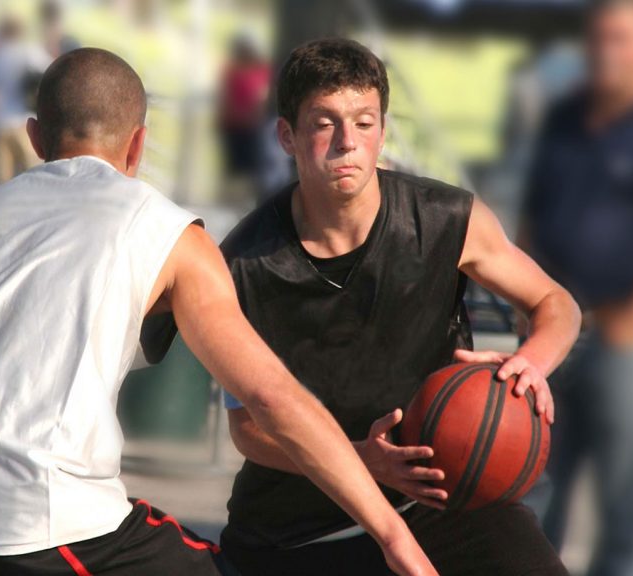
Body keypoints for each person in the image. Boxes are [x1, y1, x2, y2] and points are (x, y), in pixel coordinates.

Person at [0, 48, 438, 576]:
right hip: (30, 528)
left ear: (37, 138)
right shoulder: (162, 228)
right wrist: (391, 534)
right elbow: (269, 398)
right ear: (138, 147)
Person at [204, 38, 581, 575]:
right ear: (287, 135)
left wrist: (531, 364)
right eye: (324, 122)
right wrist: (361, 458)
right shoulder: (241, 263)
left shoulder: (447, 218)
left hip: (433, 500)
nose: (346, 143)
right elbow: (249, 431)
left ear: (383, 131)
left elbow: (555, 302)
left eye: (363, 122)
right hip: (295, 530)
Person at [520, 2, 633, 575]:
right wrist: (529, 304)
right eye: (597, 38)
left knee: (624, 506)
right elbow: (533, 221)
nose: (605, 50)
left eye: (620, 38)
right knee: (535, 491)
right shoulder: (564, 119)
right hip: (557, 331)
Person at [0, 15, 53, 183]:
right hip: (22, 124)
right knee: (33, 176)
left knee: (2, 181)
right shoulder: (28, 52)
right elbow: (52, 67)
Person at [217, 31, 272, 206]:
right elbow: (226, 97)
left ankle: (248, 202)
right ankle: (234, 201)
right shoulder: (232, 70)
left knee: (254, 167)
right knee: (235, 167)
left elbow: (263, 97)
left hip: (254, 127)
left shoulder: (262, 70)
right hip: (234, 126)